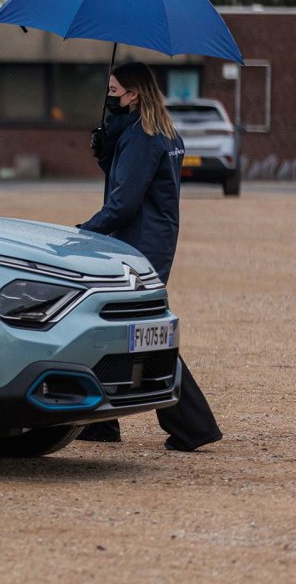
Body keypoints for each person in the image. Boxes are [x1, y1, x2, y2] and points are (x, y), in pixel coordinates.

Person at [77, 61, 222, 452]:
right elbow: (134, 181)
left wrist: (82, 233)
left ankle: (194, 424)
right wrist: (106, 152)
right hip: (152, 240)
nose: (108, 98)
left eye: (113, 91)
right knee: (119, 327)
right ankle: (102, 422)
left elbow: (123, 203)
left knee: (145, 332)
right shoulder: (161, 131)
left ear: (134, 94)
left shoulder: (143, 136)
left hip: (138, 246)